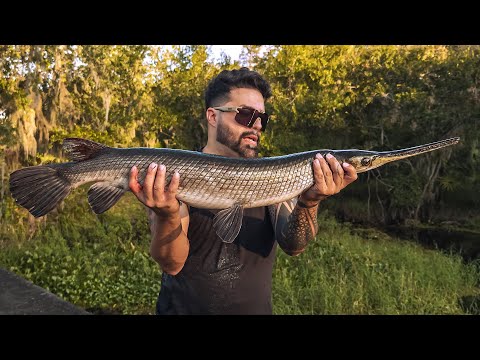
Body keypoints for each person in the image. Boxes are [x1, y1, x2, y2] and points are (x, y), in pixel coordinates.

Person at [128, 67, 358, 315]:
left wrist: (310, 201)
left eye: (262, 118)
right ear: (213, 116)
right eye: (246, 115)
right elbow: (171, 263)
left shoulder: (272, 176)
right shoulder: (178, 173)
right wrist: (167, 215)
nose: (257, 125)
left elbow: (294, 245)